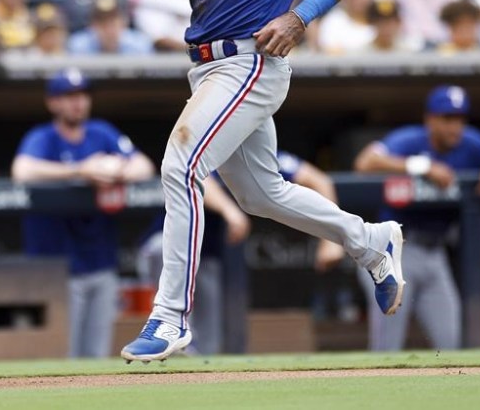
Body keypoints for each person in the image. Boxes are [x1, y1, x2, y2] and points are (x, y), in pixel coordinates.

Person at [121, 0, 405, 363]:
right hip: (205, 68)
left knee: (181, 165)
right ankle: (370, 240)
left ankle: (171, 317)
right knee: (261, 194)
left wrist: (302, 16)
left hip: (251, 61)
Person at [353, 85, 480, 351]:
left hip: (434, 253)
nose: (454, 127)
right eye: (447, 119)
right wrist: (420, 166)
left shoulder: (470, 142)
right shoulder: (410, 140)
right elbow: (365, 162)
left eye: (459, 119)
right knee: (386, 347)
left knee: (450, 343)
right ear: (430, 119)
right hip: (392, 251)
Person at [137, 150, 345, 355]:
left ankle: (191, 360)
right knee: (160, 250)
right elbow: (198, 179)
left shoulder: (260, 155)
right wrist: (230, 211)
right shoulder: (212, 146)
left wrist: (332, 238)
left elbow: (320, 181)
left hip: (210, 255)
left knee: (208, 342)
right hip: (172, 244)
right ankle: (168, 330)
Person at [11, 68, 156, 358]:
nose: (78, 103)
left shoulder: (101, 133)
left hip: (100, 261)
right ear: (53, 103)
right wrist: (80, 170)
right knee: (60, 356)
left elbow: (145, 166)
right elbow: (22, 171)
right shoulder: (44, 137)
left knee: (96, 356)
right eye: (69, 96)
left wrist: (118, 172)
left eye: (82, 95)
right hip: (56, 265)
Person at [67, 0, 154, 55]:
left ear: (123, 22)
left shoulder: (140, 45)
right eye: (102, 22)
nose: (108, 28)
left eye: (112, 22)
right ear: (92, 25)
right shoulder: (78, 46)